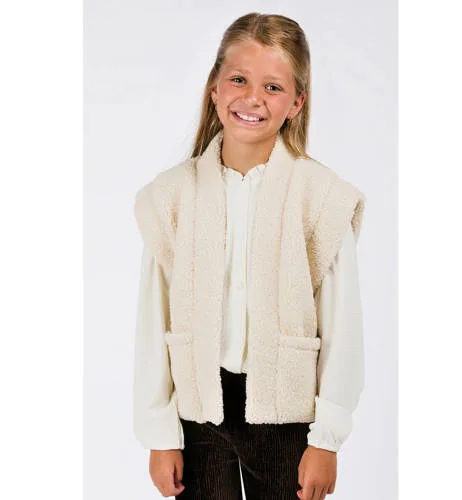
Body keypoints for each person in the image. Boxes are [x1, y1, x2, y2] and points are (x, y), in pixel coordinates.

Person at [133, 12, 366, 500]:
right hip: (199, 416)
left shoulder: (320, 197)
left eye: (273, 87)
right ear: (214, 87)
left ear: (296, 102)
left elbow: (342, 325)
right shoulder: (172, 197)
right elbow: (154, 318)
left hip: (286, 418)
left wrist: (326, 438)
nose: (253, 98)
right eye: (238, 79)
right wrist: (159, 434)